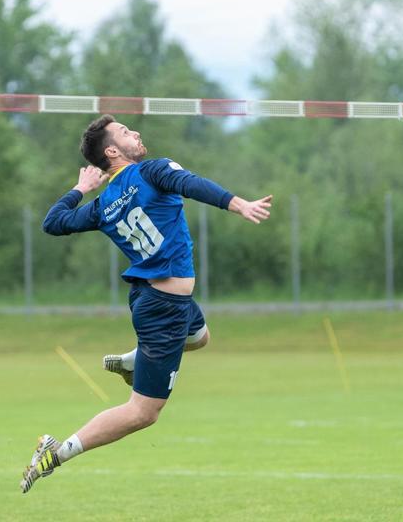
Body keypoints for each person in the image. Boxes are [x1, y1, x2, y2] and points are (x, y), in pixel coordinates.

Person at [20, 114, 273, 493]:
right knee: (143, 413)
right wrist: (237, 204)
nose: (135, 133)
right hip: (163, 309)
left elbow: (53, 223)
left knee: (201, 337)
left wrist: (80, 188)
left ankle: (136, 359)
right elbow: (191, 184)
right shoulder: (153, 171)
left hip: (155, 300)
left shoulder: (103, 204)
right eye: (124, 132)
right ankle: (58, 451)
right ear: (112, 150)